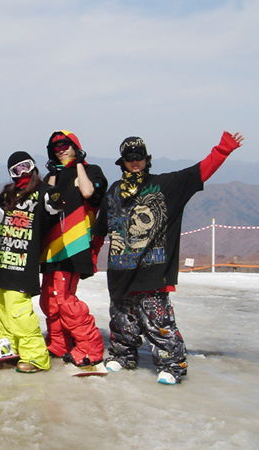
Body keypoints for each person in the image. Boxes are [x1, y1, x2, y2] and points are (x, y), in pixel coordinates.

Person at [92, 131, 245, 385]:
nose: (135, 161)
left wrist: (223, 149)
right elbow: (100, 229)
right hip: (120, 270)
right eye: (129, 157)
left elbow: (198, 173)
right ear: (123, 161)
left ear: (146, 158)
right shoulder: (115, 191)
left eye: (139, 156)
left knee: (159, 322)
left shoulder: (164, 185)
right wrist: (91, 256)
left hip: (152, 271)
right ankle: (123, 355)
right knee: (121, 319)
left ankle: (172, 365)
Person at [0, 152, 52, 373]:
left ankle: (36, 356)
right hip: (0, 259)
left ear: (33, 166)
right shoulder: (8, 192)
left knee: (19, 311)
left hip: (22, 261)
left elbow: (52, 208)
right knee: (2, 309)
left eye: (25, 166)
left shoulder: (43, 192)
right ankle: (10, 347)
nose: (23, 172)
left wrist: (56, 199)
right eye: (16, 170)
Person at [40, 130, 108, 371]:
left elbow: (89, 193)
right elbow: (44, 203)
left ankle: (90, 348)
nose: (61, 150)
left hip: (75, 245)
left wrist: (79, 162)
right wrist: (53, 175)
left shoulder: (91, 171)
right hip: (51, 247)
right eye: (56, 147)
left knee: (65, 299)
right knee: (49, 300)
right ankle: (59, 343)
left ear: (76, 146)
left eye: (65, 145)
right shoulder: (53, 175)